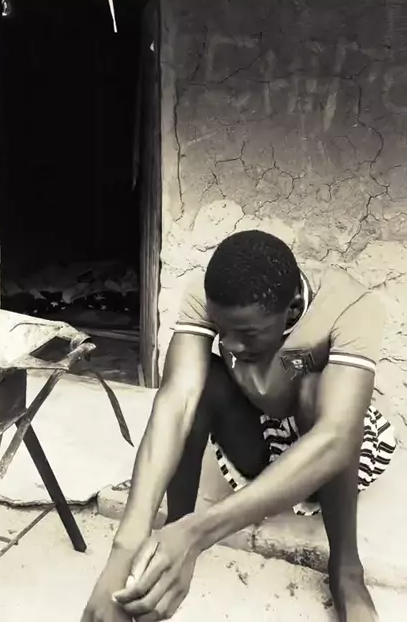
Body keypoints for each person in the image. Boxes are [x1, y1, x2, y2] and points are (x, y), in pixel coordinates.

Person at [81, 230, 396, 622]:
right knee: (202, 378)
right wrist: (124, 550)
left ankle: (346, 570)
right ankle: (168, 542)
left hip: (324, 442)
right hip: (261, 427)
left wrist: (201, 533)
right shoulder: (207, 293)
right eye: (221, 329)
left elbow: (337, 437)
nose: (229, 344)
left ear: (292, 310)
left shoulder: (349, 306)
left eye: (247, 334)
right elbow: (177, 403)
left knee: (318, 394)